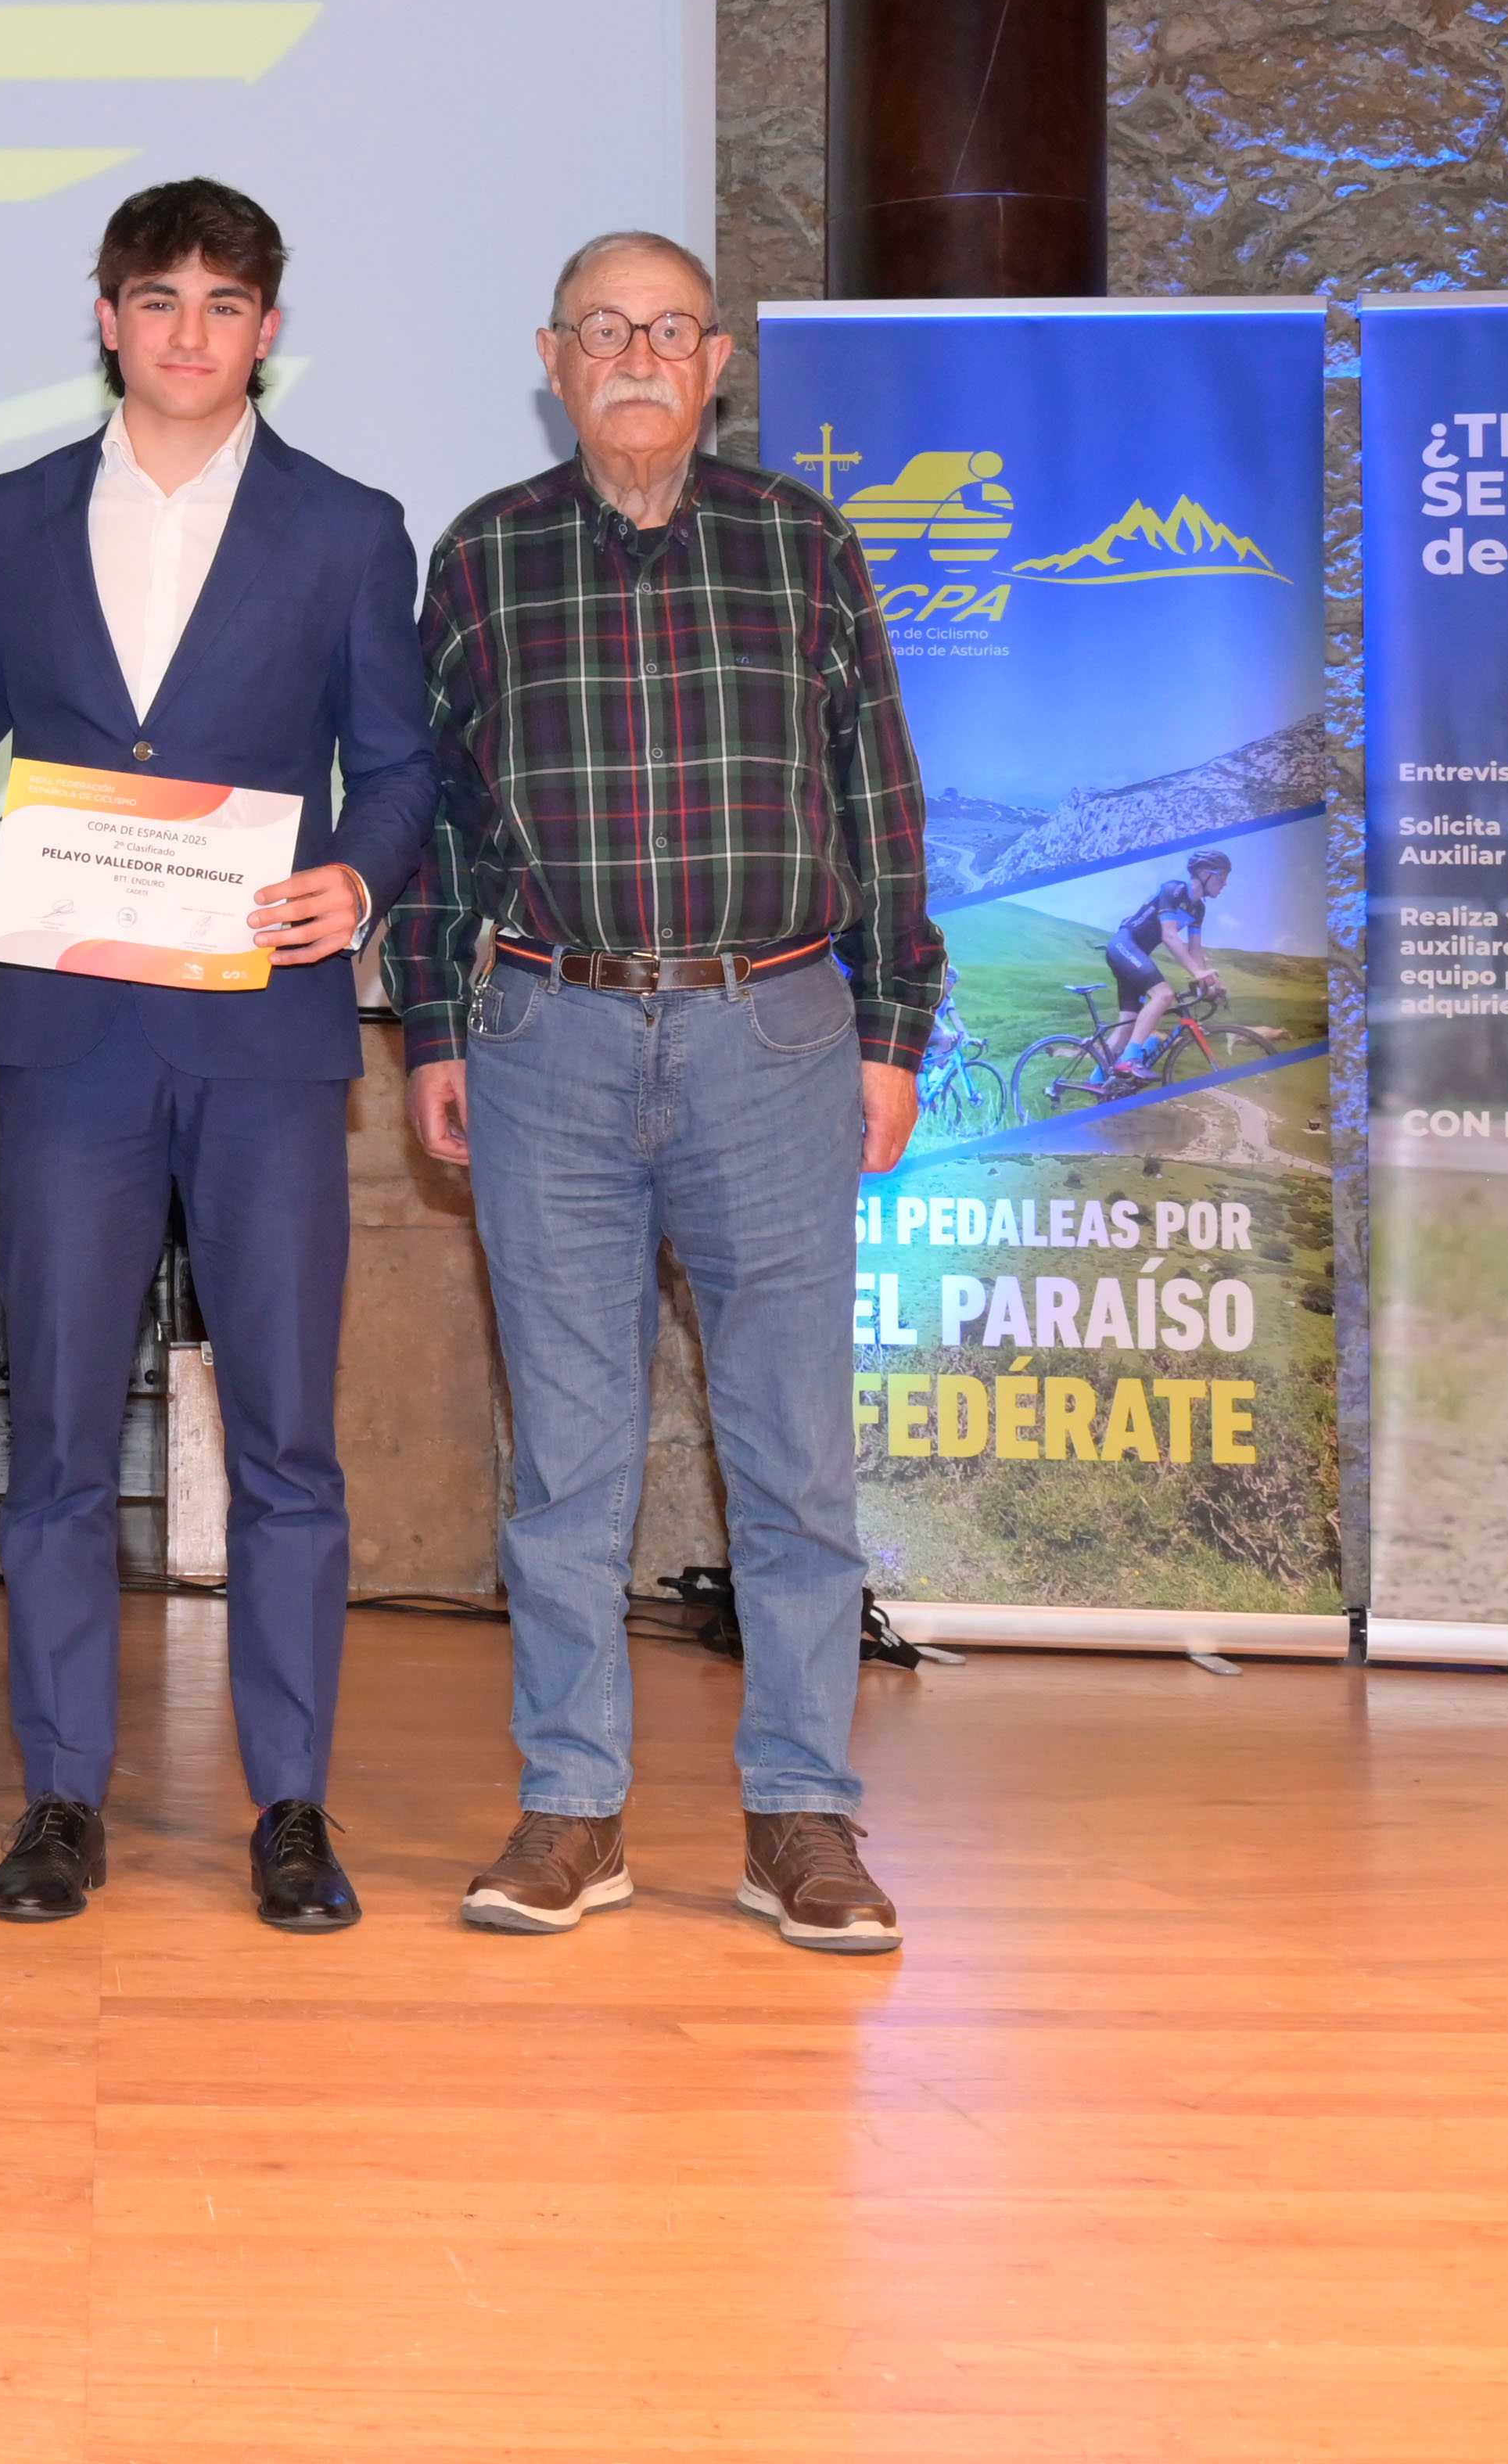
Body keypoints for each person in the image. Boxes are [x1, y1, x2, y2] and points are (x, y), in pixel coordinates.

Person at [398, 230, 940, 1955]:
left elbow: (882, 803)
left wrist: (896, 1027)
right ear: (553, 359)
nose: (638, 354)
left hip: (770, 1036)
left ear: (717, 365)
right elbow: (436, 824)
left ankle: (802, 1815)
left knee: (791, 1458)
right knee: (562, 1461)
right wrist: (429, 1026)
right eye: (604, 329)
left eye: (671, 329)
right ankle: (573, 1805)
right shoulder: (481, 558)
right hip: (544, 1040)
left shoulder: (803, 545)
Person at [0, 178, 433, 1934]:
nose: (190, 333)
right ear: (107, 316)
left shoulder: (353, 528)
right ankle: (59, 1791)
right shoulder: (8, 514)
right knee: (61, 1437)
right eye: (159, 300)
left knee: (287, 1440)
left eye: (226, 305)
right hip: (68, 1034)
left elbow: (402, 757)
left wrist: (361, 871)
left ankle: (291, 1803)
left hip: (267, 1034)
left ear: (269, 330)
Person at [1107, 851, 1231, 1061]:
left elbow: (1195, 951)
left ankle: (1097, 1082)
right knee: (1164, 995)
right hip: (1124, 946)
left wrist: (1207, 984)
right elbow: (1169, 935)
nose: (1225, 883)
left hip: (1135, 955)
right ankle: (1127, 1062)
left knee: (1127, 1026)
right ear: (1203, 873)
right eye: (1222, 876)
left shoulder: (1198, 910)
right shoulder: (1173, 890)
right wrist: (1199, 972)